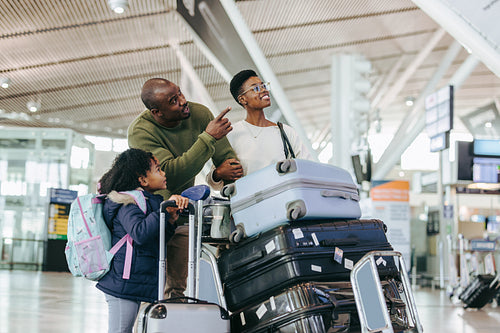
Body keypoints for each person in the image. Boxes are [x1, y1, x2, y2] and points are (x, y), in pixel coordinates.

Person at [128, 78, 243, 298]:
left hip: (181, 216)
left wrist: (223, 174)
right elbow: (169, 174)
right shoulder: (140, 131)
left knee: (176, 289)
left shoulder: (199, 114)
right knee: (148, 288)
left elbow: (227, 159)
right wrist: (208, 137)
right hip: (150, 217)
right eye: (173, 100)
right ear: (157, 112)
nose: (182, 101)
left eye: (180, 93)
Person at [95, 148, 189, 333]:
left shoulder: (147, 201)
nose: (163, 173)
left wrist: (169, 219)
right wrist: (164, 210)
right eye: (158, 169)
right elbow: (139, 233)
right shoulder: (127, 202)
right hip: (124, 282)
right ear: (142, 179)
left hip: (134, 280)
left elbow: (156, 239)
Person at [208, 69, 311, 187]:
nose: (264, 90)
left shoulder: (285, 132)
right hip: (248, 202)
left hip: (282, 200)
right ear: (242, 99)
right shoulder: (232, 134)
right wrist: (218, 173)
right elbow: (213, 181)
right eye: (256, 88)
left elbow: (308, 166)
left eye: (264, 86)